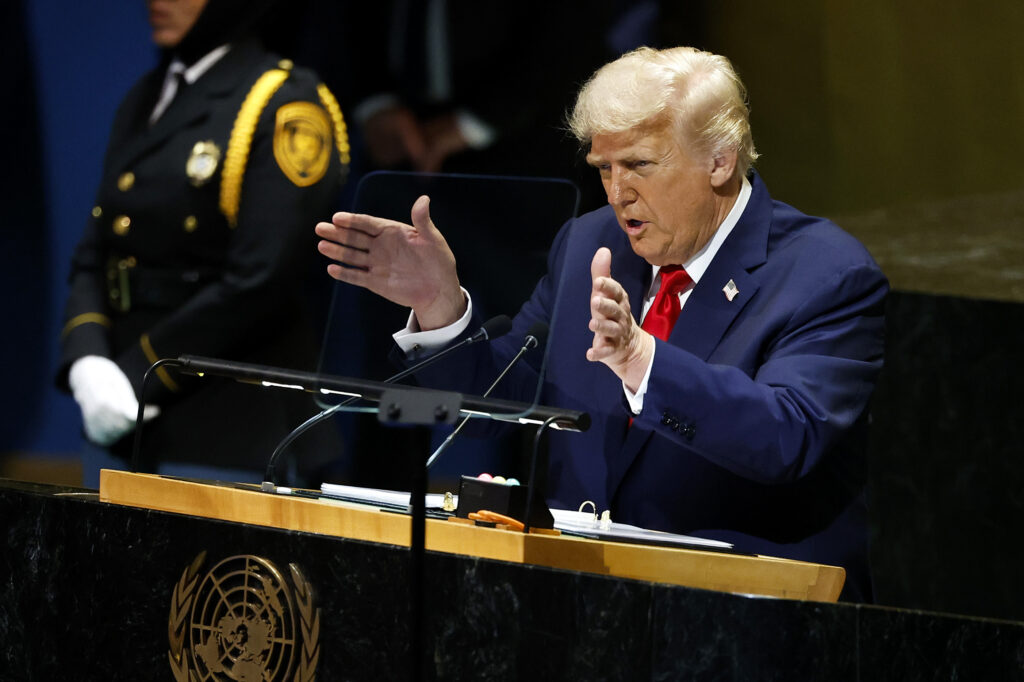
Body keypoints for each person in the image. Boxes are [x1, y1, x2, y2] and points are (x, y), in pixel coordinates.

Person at [314, 46, 888, 601]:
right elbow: (508, 397)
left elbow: (787, 436)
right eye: (604, 168)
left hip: (742, 617)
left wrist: (644, 362)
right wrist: (440, 307)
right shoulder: (591, 242)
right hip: (581, 606)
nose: (618, 193)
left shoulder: (825, 273)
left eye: (639, 164)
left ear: (719, 158)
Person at [57, 0, 349, 487]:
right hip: (118, 416)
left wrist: (139, 373)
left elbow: (261, 278)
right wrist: (87, 360)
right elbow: (96, 252)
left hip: (230, 423)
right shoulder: (148, 96)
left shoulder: (285, 102)